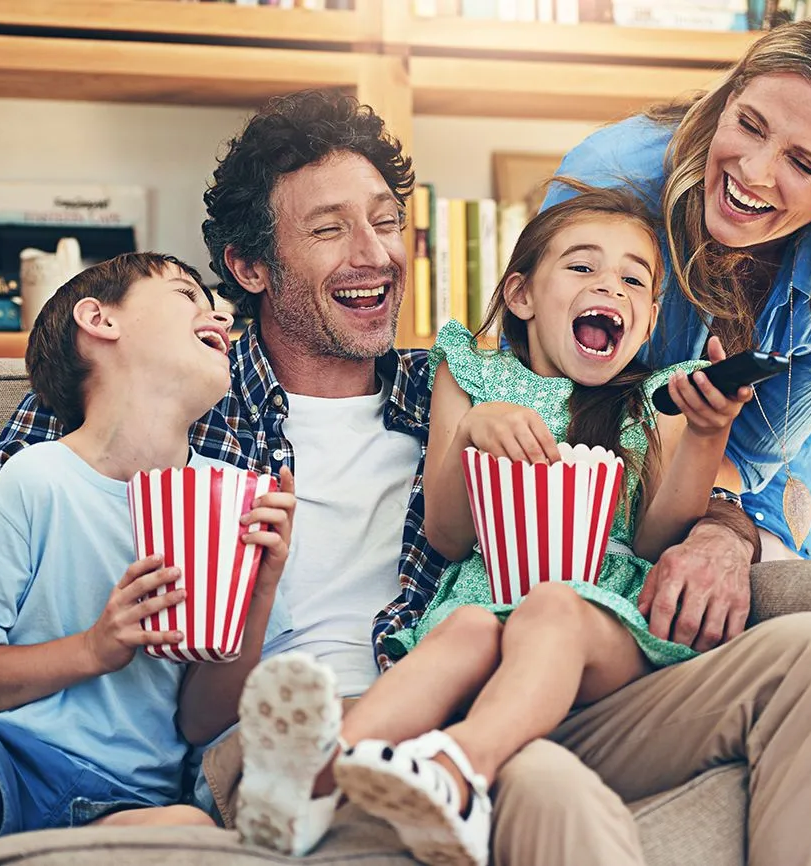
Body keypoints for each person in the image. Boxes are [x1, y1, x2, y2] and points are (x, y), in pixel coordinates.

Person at [0, 84, 811, 866]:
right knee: (547, 797)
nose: (374, 252)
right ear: (244, 263)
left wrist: (729, 515)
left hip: (458, 695)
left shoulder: (460, 379)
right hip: (267, 737)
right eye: (328, 229)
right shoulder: (182, 388)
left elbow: (629, 437)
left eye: (386, 220)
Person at [239, 184, 751, 866]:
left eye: (635, 278)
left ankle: (457, 774)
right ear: (521, 296)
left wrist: (706, 436)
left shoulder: (659, 400)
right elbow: (449, 536)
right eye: (582, 267)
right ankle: (309, 780)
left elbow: (658, 539)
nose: (612, 286)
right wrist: (472, 433)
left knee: (549, 610)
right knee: (468, 629)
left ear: (651, 316)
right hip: (484, 604)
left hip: (600, 625)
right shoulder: (472, 375)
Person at [0, 253, 296, 858]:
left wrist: (261, 589)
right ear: (99, 320)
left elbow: (199, 724)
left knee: (192, 841)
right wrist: (94, 649)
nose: (218, 312)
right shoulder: (37, 479)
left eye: (214, 303)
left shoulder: (236, 499)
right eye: (185, 294)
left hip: (130, 794)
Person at [541, 16, 811, 652]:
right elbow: (541, 372)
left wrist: (721, 531)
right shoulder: (610, 176)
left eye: (802, 163)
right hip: (592, 449)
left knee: (770, 615)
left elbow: (751, 461)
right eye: (749, 124)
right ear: (729, 98)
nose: (752, 170)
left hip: (750, 482)